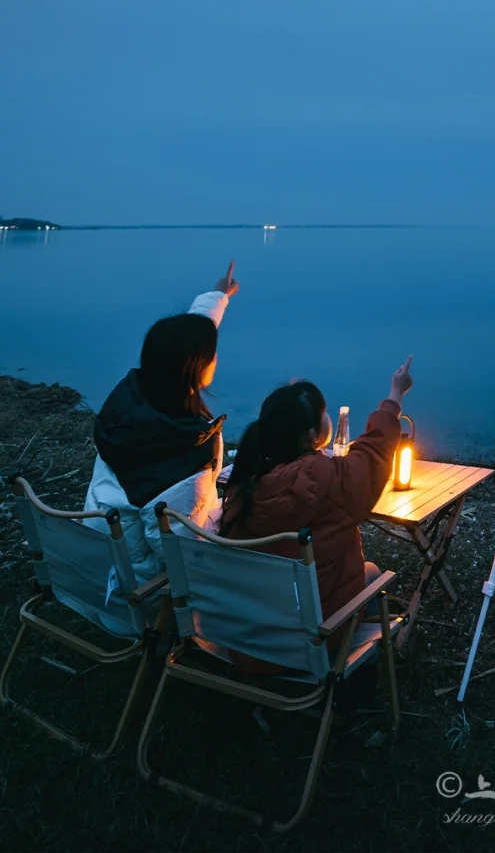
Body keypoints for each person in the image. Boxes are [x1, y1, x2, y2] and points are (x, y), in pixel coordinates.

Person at [219, 358, 413, 649]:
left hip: (247, 634)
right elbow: (372, 456)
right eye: (322, 413)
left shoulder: (242, 482)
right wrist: (394, 397)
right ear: (312, 435)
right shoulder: (324, 478)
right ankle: (357, 673)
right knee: (372, 575)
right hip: (306, 641)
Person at [83, 262, 240, 583]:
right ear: (197, 369)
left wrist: (218, 295)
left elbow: (181, 342)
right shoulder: (185, 458)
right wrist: (230, 513)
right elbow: (183, 556)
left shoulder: (128, 406)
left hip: (93, 569)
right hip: (140, 595)